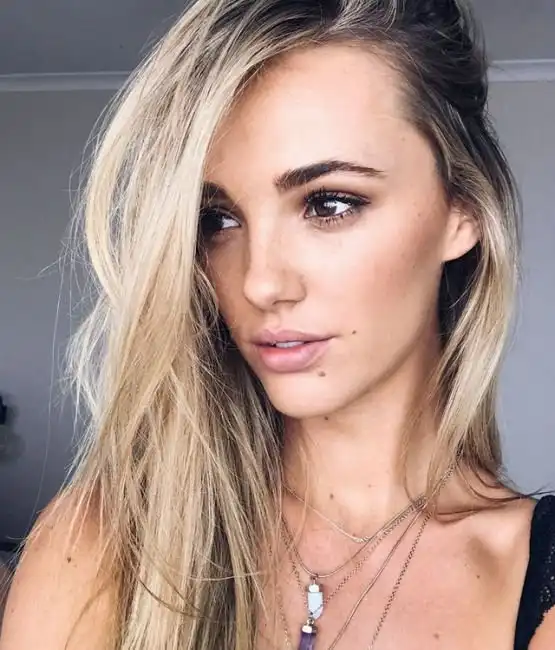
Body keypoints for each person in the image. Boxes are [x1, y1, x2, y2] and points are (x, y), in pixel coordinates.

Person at [1, 0, 554, 648]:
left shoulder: (529, 578)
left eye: (329, 204)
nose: (259, 282)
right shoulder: (100, 545)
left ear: (463, 211)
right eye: (217, 219)